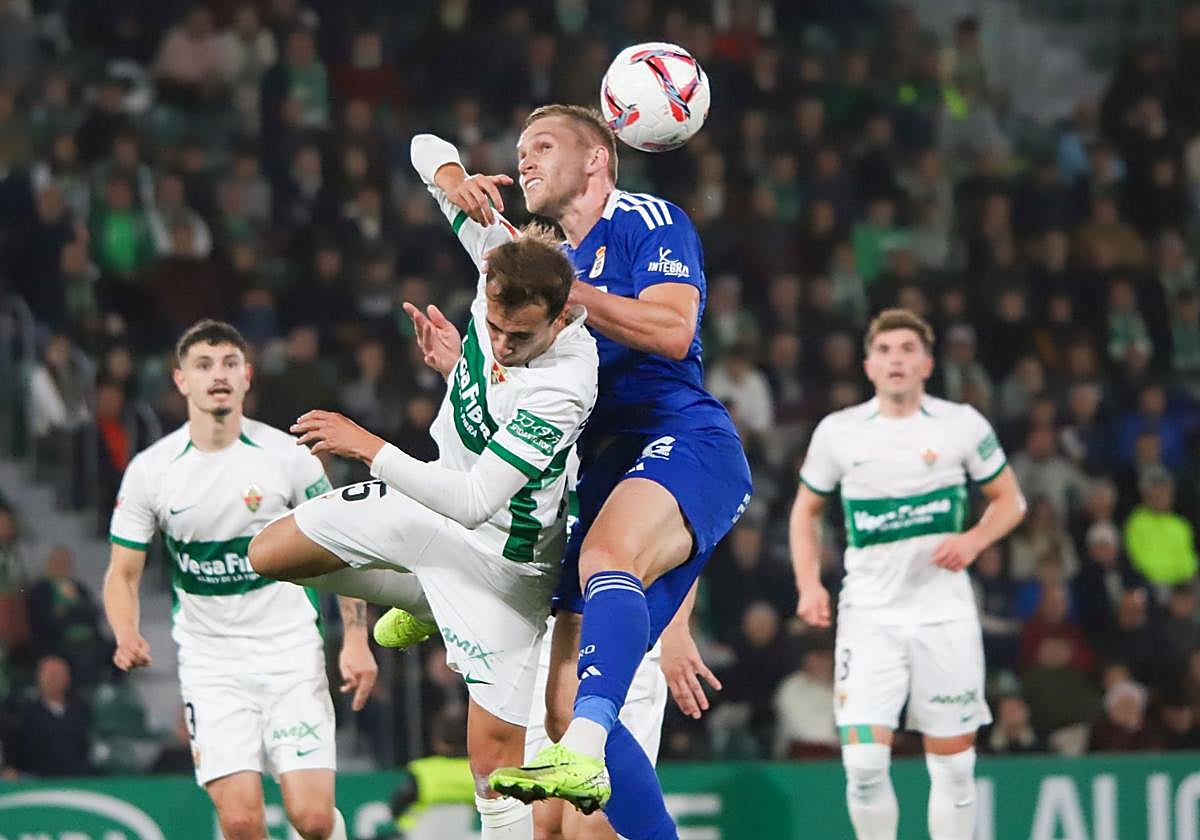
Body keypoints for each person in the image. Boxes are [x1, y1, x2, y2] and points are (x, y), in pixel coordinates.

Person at [410, 110, 750, 839]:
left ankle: (587, 743)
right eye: (518, 148)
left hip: (676, 437)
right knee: (562, 715)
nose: (523, 161)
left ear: (597, 157)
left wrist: (563, 291)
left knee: (604, 562)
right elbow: (426, 147)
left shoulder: (646, 220)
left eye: (542, 147)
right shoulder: (537, 263)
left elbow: (671, 330)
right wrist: (452, 182)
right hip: (597, 477)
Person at [247, 193, 599, 838]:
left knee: (493, 769)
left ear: (563, 315)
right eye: (492, 328)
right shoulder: (495, 259)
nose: (501, 345)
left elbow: (474, 502)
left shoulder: (566, 381)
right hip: (427, 505)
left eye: (520, 337)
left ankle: (439, 599)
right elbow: (424, 152)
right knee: (269, 554)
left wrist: (369, 445)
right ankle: (430, 600)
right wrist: (449, 175)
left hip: (506, 565)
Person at [103, 320, 376, 840]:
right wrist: (126, 631)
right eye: (203, 366)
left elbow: (342, 549)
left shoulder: (289, 458)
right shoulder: (151, 471)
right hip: (212, 665)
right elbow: (122, 572)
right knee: (242, 821)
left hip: (289, 652)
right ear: (181, 381)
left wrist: (357, 640)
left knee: (314, 820)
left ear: (248, 376)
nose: (218, 375)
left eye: (229, 363)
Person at [789, 308, 1026, 840]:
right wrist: (809, 583)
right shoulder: (840, 432)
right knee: (865, 766)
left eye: (907, 350)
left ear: (927, 364)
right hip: (869, 614)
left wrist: (974, 539)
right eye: (886, 351)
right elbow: (804, 510)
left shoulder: (961, 424)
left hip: (944, 614)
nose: (896, 359)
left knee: (955, 768)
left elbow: (1010, 500)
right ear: (869, 365)